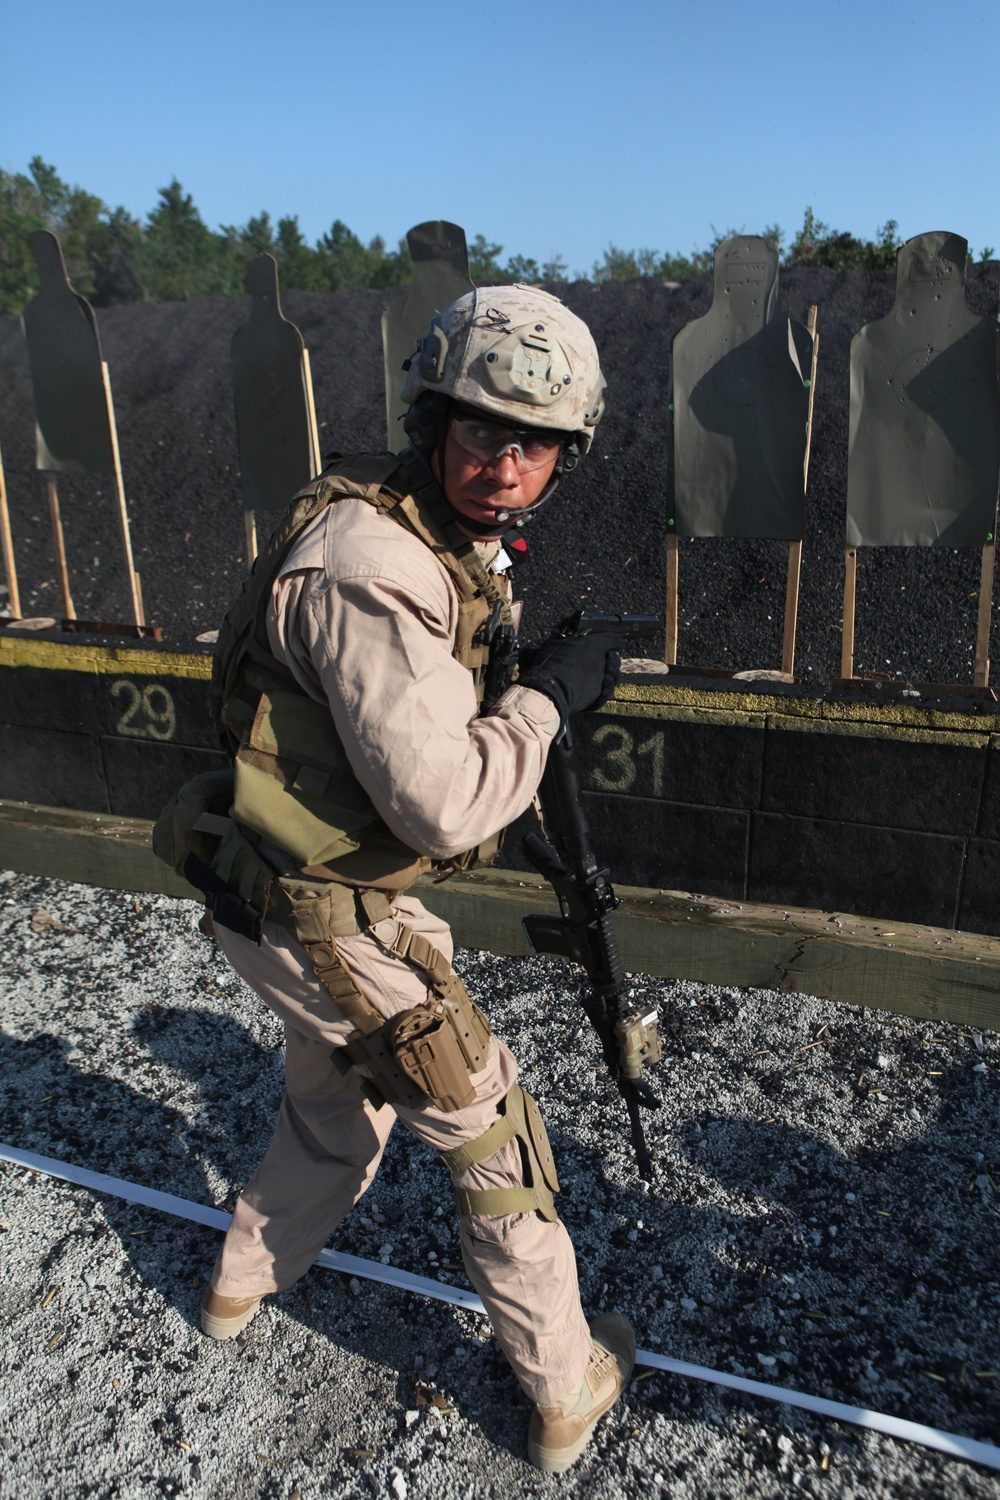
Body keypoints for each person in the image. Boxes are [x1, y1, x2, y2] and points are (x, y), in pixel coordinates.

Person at [158, 285, 633, 1474]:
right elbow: (443, 799)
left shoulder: (412, 523)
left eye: (537, 445)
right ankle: (566, 1387)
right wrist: (548, 698)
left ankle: (233, 1292)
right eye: (481, 430)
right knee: (489, 1135)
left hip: (292, 882)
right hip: (328, 913)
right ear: (433, 420)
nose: (507, 464)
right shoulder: (372, 566)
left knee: (331, 1107)